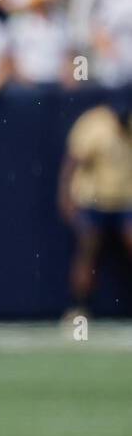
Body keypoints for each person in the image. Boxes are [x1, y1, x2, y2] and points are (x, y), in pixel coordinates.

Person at [58, 96, 132, 320]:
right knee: (88, 250)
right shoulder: (94, 124)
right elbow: (72, 162)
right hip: (93, 199)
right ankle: (78, 307)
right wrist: (66, 197)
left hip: (125, 199)